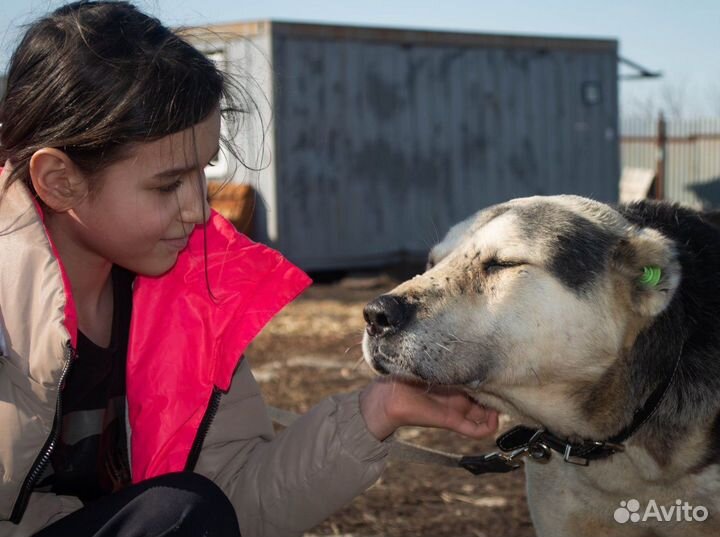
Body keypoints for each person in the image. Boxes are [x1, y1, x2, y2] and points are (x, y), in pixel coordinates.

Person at [0, 2, 499, 536]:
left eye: (202, 173)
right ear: (59, 180)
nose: (197, 209)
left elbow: (229, 503)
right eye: (167, 184)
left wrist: (381, 408)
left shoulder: (186, 300)